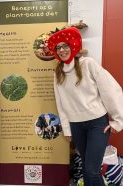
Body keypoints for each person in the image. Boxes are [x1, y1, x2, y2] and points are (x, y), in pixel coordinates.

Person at [47, 27, 123, 186]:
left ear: (72, 46)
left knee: (91, 170)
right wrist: (67, 128)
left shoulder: (87, 63)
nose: (62, 50)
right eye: (58, 47)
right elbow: (61, 102)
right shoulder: (58, 72)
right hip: (76, 126)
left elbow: (110, 90)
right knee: (87, 170)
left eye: (65, 46)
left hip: (97, 124)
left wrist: (117, 120)